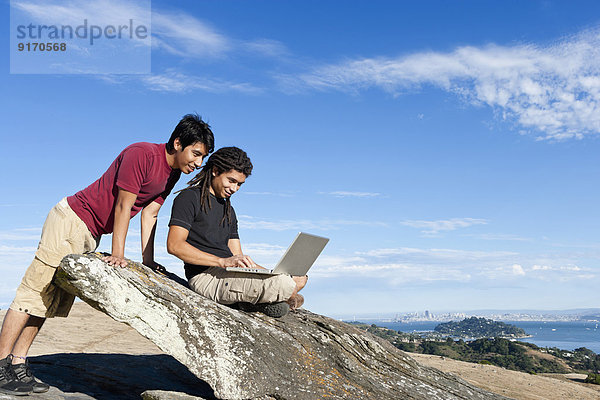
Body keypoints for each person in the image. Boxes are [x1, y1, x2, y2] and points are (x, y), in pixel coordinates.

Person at [0, 114, 214, 396]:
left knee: (48, 301)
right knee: (33, 294)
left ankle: (17, 364)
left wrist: (148, 261)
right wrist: (118, 255)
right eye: (196, 154)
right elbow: (124, 206)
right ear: (177, 143)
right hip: (71, 219)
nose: (198, 163)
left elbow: (150, 213)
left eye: (203, 157)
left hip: (89, 232)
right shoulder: (142, 154)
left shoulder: (171, 173)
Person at [167, 147, 307, 318]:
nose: (234, 188)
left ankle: (254, 301)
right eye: (231, 181)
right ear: (216, 171)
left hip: (229, 274)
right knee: (286, 285)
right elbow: (174, 246)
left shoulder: (229, 210)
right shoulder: (189, 198)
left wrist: (273, 273)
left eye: (239, 184)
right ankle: (272, 298)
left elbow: (238, 257)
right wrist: (222, 261)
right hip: (205, 278)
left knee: (298, 279)